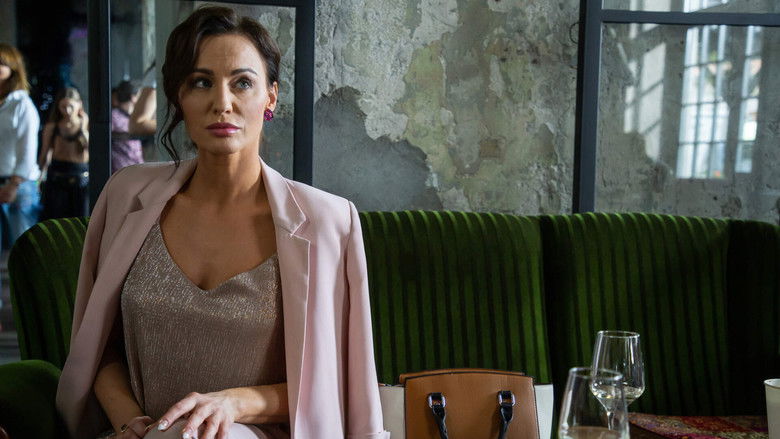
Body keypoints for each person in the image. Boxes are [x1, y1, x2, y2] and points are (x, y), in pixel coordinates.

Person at [56, 6, 389, 439]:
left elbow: (339, 385)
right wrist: (132, 423)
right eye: (201, 82)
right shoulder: (126, 196)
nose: (222, 103)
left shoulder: (328, 221)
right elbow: (98, 347)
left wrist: (232, 403)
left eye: (242, 83)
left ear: (270, 97)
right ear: (179, 97)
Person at [0, 43, 41, 250]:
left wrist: (13, 184)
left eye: (1, 64)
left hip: (19, 184)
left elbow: (27, 149)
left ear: (13, 69)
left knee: (23, 251)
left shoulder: (21, 104)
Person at [38, 86, 89, 220]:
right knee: (56, 218)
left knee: (81, 219)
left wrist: (83, 128)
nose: (67, 111)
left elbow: (92, 149)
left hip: (81, 176)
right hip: (58, 175)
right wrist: (39, 178)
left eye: (71, 106)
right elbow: (45, 153)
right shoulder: (52, 126)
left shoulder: (86, 123)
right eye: (63, 107)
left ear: (79, 105)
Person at [111, 80, 144, 173]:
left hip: (135, 170)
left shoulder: (131, 117)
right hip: (122, 172)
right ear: (133, 97)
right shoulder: (113, 116)